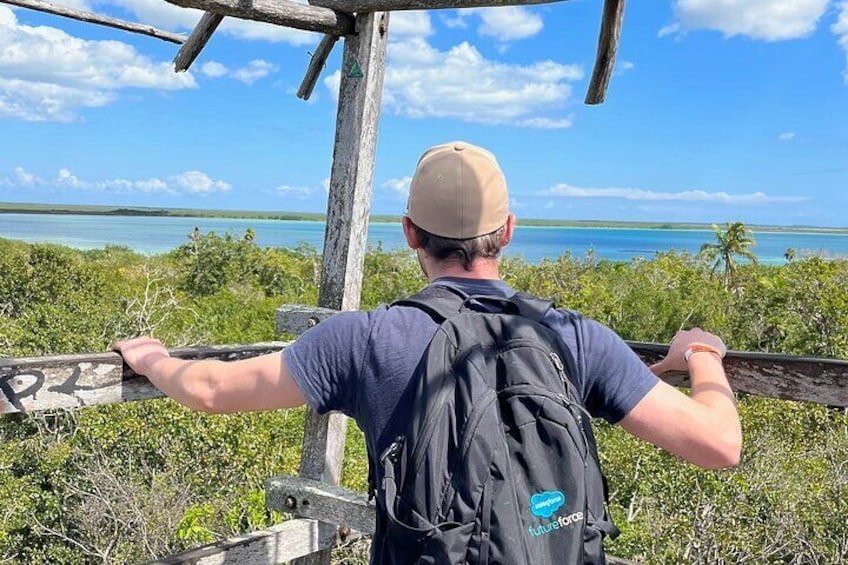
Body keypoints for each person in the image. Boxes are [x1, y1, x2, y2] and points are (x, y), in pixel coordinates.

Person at [115, 141, 741, 549]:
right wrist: (702, 356)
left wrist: (153, 359)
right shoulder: (574, 337)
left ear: (410, 231)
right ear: (509, 231)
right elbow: (719, 445)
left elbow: (212, 391)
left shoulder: (363, 339)